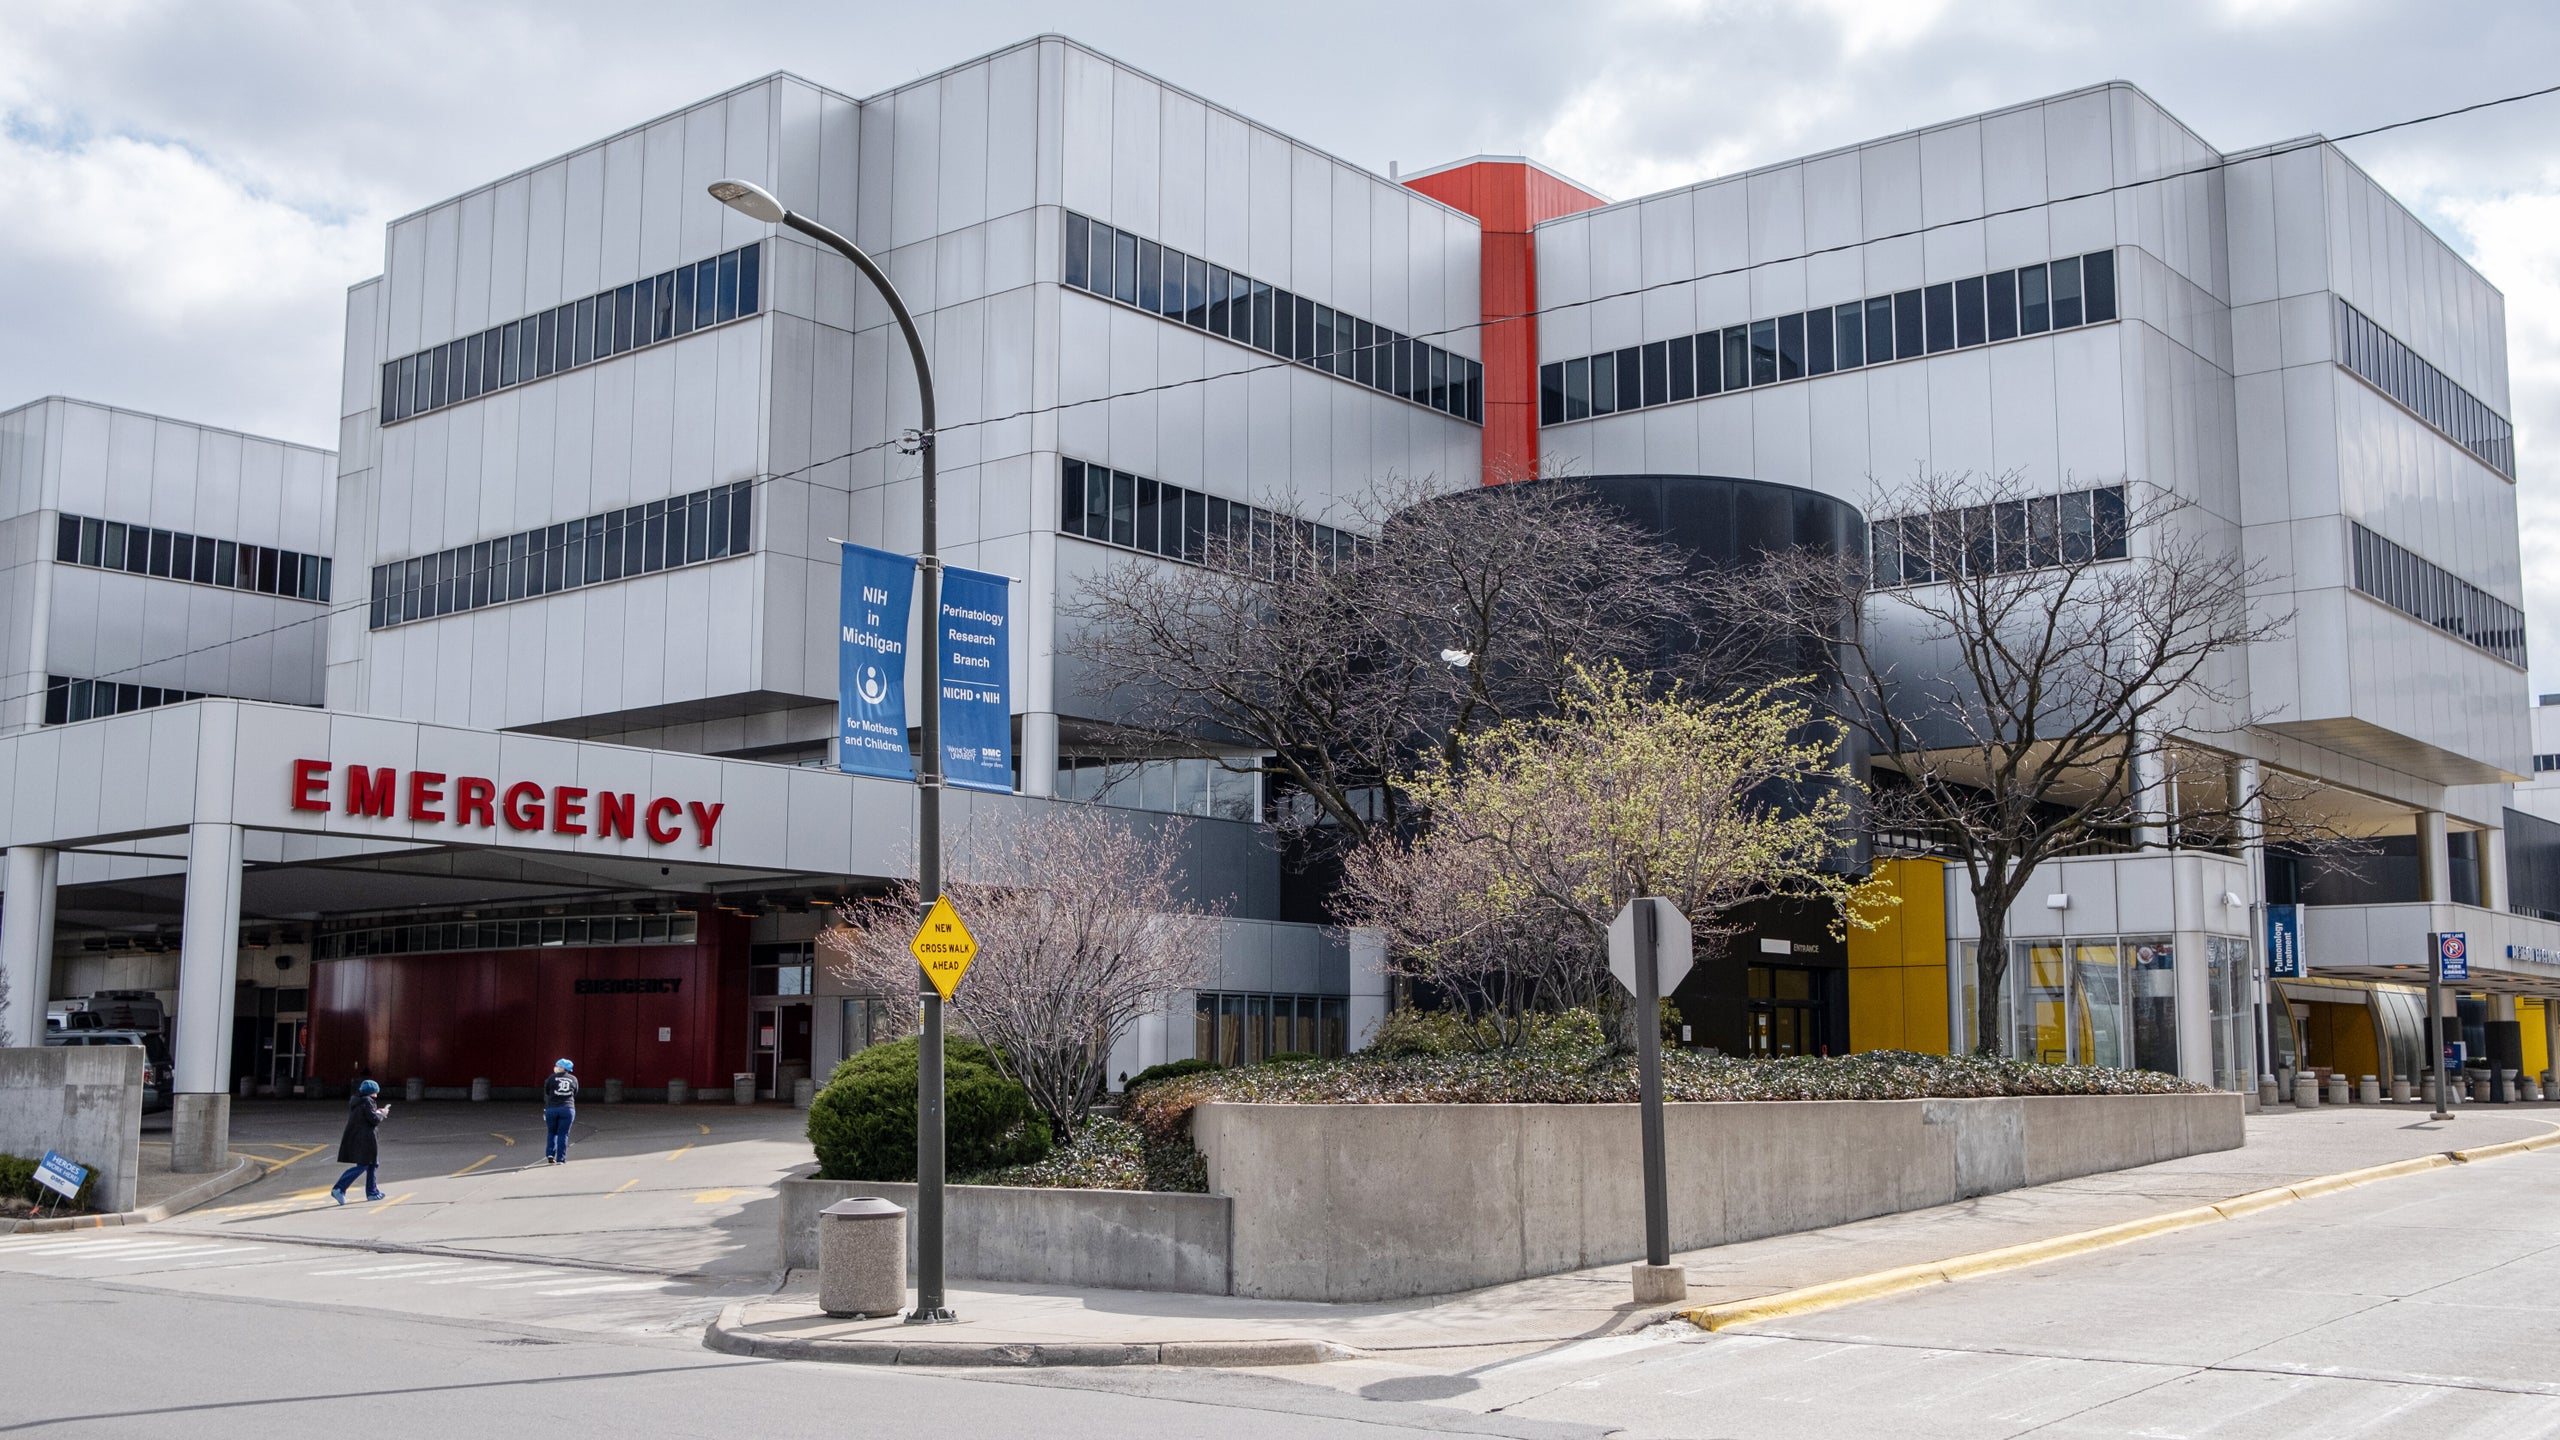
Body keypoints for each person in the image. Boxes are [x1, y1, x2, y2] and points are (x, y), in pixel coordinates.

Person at [330, 1079, 389, 1204]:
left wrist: (376, 1111)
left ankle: (372, 1192)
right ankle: (339, 1188)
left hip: (361, 1137)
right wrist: (381, 1113)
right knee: (364, 1165)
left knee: (372, 1164)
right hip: (366, 1138)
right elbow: (373, 1119)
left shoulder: (358, 1101)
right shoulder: (367, 1101)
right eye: (375, 1092)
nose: (376, 1095)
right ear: (371, 1093)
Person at [541, 1058, 578, 1164]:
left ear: (562, 1068)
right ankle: (561, 1158)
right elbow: (575, 1092)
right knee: (563, 1133)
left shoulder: (551, 1078)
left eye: (558, 1066)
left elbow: (547, 1092)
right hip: (567, 1108)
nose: (556, 1067)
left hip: (552, 1108)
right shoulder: (573, 1079)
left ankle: (550, 1154)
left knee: (552, 1132)